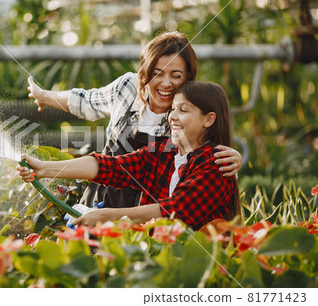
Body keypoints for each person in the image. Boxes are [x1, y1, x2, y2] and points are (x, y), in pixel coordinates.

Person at [26, 31, 242, 209]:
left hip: (146, 210)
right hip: (100, 198)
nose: (166, 83)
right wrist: (44, 96)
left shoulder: (185, 119)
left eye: (176, 76)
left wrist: (233, 159)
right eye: (158, 73)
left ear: (188, 78)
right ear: (146, 71)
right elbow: (84, 101)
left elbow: (205, 170)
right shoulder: (128, 88)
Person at [18, 81, 241, 231]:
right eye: (173, 109)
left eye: (183, 110)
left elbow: (174, 211)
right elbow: (112, 167)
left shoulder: (216, 164)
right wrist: (44, 168)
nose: (172, 116)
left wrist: (107, 217)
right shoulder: (165, 151)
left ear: (208, 119)